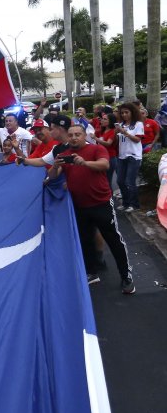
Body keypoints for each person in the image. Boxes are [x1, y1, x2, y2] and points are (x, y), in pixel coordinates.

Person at [39, 124, 134, 294]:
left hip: (101, 203)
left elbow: (104, 165)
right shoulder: (64, 154)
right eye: (71, 135)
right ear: (67, 137)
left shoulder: (97, 149)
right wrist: (54, 167)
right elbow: (54, 175)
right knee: (85, 240)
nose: (74, 137)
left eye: (77, 134)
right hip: (79, 206)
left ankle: (126, 276)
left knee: (113, 239)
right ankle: (91, 272)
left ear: (84, 136)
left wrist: (84, 162)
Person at [114, 102, 144, 212]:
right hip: (122, 155)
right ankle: (126, 203)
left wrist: (125, 133)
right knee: (120, 181)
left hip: (134, 156)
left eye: (126, 112)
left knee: (130, 182)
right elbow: (118, 141)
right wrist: (116, 133)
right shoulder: (121, 125)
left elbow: (137, 139)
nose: (124, 115)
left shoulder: (138, 124)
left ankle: (134, 205)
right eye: (122, 113)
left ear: (132, 112)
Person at [93, 112, 119, 189]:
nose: (102, 121)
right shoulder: (103, 131)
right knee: (102, 180)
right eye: (102, 119)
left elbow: (108, 143)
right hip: (101, 157)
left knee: (107, 181)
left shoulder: (113, 131)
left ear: (110, 121)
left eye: (105, 119)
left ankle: (110, 199)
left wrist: (95, 138)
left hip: (110, 158)